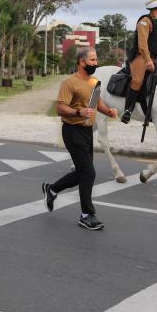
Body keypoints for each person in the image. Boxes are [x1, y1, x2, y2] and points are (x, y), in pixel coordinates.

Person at [42, 48, 119, 231]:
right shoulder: (70, 83)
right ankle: (86, 215)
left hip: (86, 131)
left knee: (82, 173)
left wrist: (108, 111)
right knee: (89, 173)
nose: (96, 63)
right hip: (72, 130)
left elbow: (96, 102)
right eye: (92, 60)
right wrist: (78, 112)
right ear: (82, 62)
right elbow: (60, 108)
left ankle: (52, 189)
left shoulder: (94, 81)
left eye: (96, 59)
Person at [121, 0, 157, 124]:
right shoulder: (145, 22)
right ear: (156, 5)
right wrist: (148, 60)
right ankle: (127, 110)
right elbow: (142, 45)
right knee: (137, 81)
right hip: (141, 56)